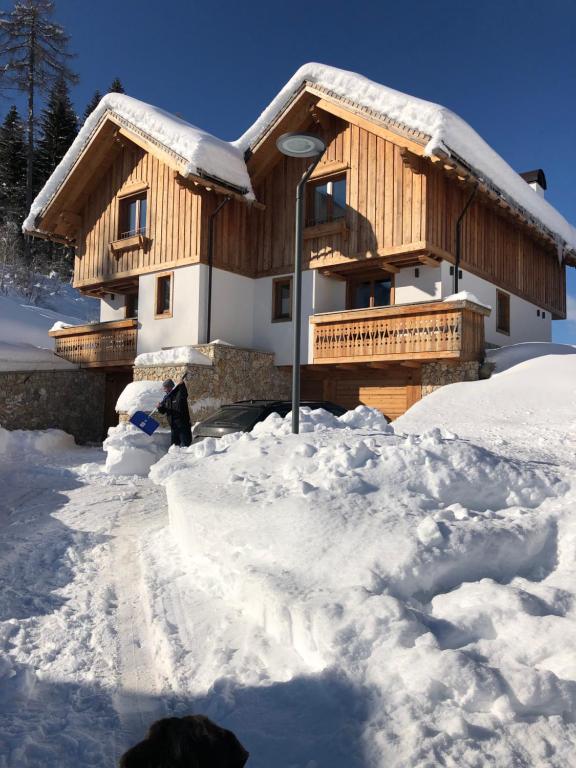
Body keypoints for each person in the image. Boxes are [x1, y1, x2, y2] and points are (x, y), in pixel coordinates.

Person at [157, 377, 192, 447]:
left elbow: (184, 394)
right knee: (174, 446)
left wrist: (182, 384)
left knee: (186, 444)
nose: (164, 389)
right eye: (164, 387)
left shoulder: (178, 394)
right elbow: (163, 411)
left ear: (170, 387)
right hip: (173, 426)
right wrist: (160, 407)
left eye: (165, 387)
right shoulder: (166, 398)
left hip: (183, 424)